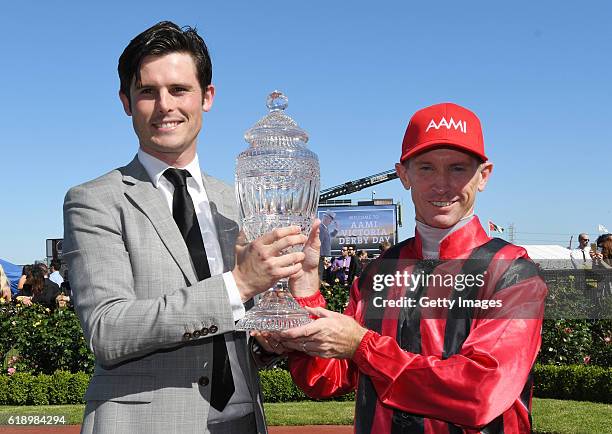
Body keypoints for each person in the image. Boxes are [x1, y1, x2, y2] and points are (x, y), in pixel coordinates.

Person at [63, 21, 307, 434]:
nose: (164, 105)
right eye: (147, 91)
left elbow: (231, 322)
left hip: (245, 422)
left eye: (179, 89)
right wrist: (238, 285)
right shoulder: (94, 200)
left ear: (206, 97)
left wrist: (266, 338)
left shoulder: (236, 200)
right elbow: (108, 330)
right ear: (126, 101)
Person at [278, 103, 548, 433]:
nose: (442, 184)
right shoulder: (377, 272)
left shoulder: (513, 273)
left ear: (483, 176)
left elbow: (480, 393)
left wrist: (364, 347)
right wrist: (306, 292)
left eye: (458, 168)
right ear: (404, 174)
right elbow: (325, 378)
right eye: (426, 168)